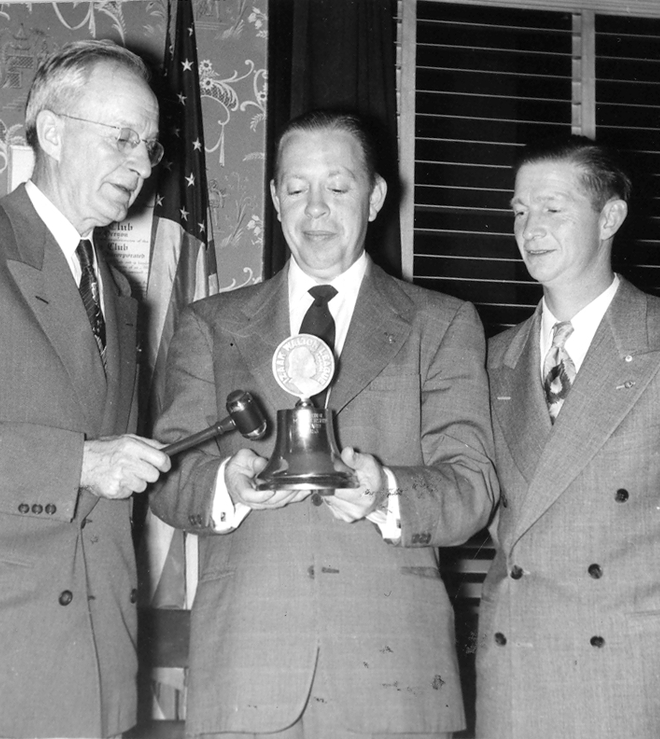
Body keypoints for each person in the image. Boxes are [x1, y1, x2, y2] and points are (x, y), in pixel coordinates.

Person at [149, 109, 498, 739]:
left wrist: (385, 494)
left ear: (375, 198)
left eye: (338, 188)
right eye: (297, 188)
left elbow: (473, 486)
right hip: (246, 674)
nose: (316, 210)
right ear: (276, 198)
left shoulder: (441, 323)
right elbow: (169, 477)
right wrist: (227, 485)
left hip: (394, 677)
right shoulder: (210, 324)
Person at [0, 39, 171, 738]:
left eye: (150, 146)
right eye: (123, 137)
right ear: (53, 132)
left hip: (92, 685)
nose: (142, 164)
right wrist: (79, 463)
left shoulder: (119, 293)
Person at [476, 135, 660, 738]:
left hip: (646, 680)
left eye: (553, 208)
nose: (531, 227)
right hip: (518, 675)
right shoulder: (489, 360)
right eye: (519, 210)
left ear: (609, 216)